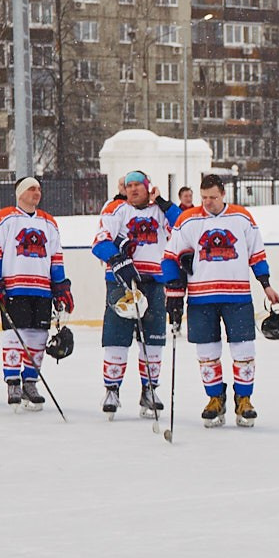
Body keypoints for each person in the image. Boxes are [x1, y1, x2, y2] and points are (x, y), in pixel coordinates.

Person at [158, 173, 279, 427]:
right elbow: (170, 256)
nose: (208, 202)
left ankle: (244, 398)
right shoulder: (188, 219)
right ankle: (215, 398)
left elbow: (256, 253)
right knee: (207, 352)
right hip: (200, 297)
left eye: (213, 197)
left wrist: (266, 284)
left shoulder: (242, 217)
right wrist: (173, 291)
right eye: (204, 197)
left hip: (237, 295)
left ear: (223, 194)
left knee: (244, 349)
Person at [0, 176, 71, 409]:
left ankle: (30, 381)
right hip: (15, 287)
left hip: (42, 289)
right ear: (20, 192)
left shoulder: (49, 222)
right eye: (32, 188)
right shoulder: (4, 218)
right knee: (15, 334)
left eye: (39, 189)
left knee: (39, 336)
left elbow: (56, 256)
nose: (37, 192)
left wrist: (61, 285)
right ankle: (12, 381)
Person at [92, 169, 172, 416]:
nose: (134, 189)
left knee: (153, 339)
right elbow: (99, 241)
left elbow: (183, 227)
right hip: (121, 282)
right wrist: (117, 260)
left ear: (149, 187)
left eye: (139, 184)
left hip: (154, 282)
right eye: (130, 185)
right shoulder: (116, 210)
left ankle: (149, 389)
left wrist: (164, 203)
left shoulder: (161, 212)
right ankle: (112, 390)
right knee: (117, 336)